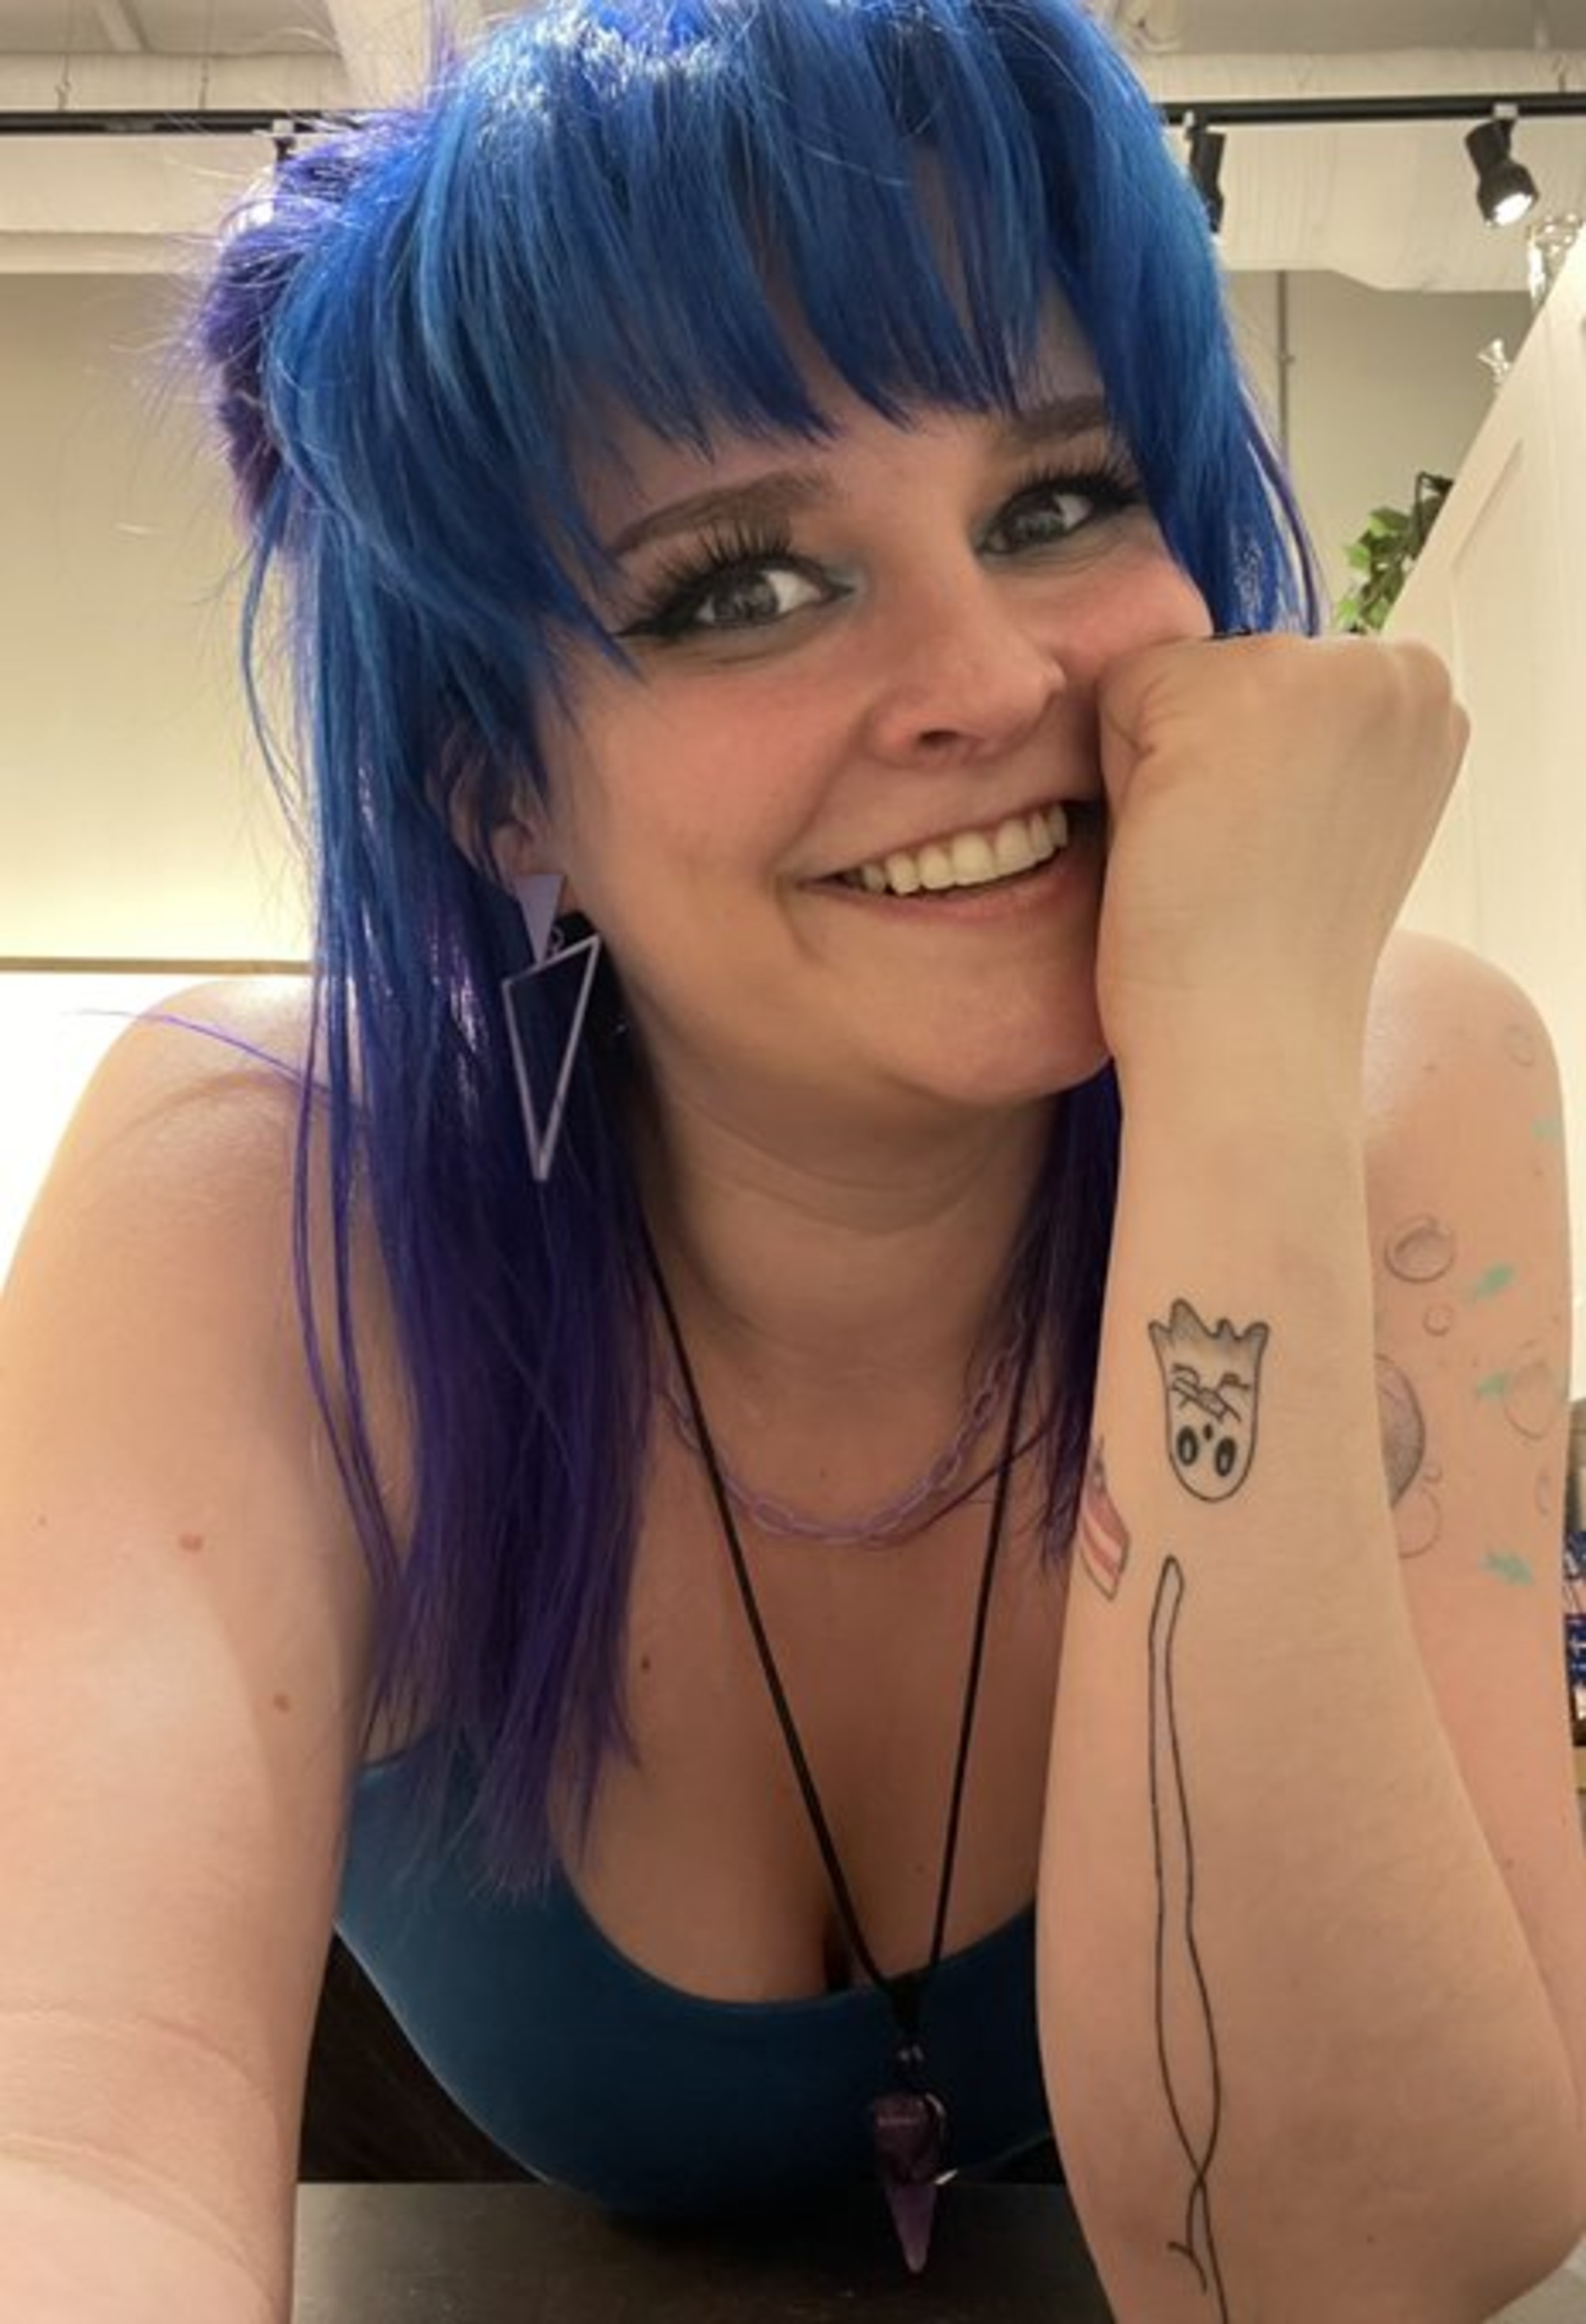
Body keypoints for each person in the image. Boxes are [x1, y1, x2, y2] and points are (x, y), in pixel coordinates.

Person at [2, 0, 1583, 2316]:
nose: (993, 680)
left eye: (1059, 502)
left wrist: (1241, 1062)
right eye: (740, 585)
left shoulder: (1392, 1073)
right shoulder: (267, 1183)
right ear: (498, 791)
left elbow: (1341, 2273)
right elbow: (66, 2144)